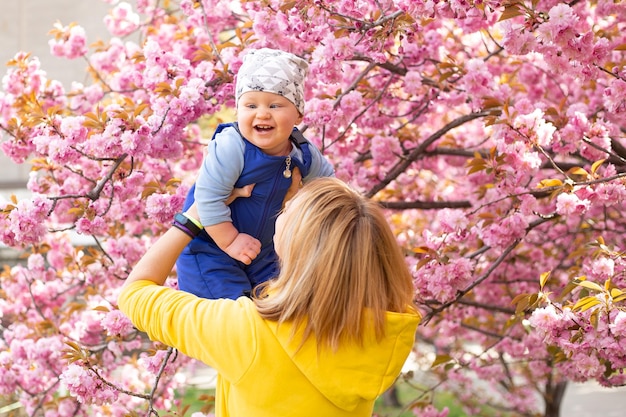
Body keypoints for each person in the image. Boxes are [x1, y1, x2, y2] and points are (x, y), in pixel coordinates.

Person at [118, 177, 421, 417]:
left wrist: (194, 216)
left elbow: (135, 293)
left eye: (288, 210)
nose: (282, 208)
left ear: (296, 243)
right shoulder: (386, 325)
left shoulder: (248, 331)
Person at [176, 48, 335, 300]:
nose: (262, 113)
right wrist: (231, 241)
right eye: (250, 105)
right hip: (212, 250)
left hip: (265, 254)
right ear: (237, 109)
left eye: (275, 105)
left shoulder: (304, 154)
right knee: (233, 312)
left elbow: (330, 189)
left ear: (298, 114)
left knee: (283, 303)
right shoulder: (232, 147)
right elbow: (207, 198)